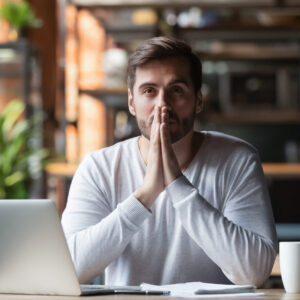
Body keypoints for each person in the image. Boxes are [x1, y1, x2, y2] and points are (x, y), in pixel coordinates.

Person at [61, 36, 277, 287]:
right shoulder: (99, 168)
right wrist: (144, 196)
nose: (162, 104)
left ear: (198, 100)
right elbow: (68, 270)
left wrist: (177, 183)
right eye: (149, 91)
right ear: (132, 102)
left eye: (176, 90)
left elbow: (255, 273)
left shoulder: (237, 160)